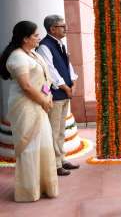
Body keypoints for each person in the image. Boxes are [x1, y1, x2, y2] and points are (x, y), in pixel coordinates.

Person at [0, 21, 58, 202]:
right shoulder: (17, 57)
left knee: (43, 144)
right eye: (35, 35)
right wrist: (43, 101)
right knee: (29, 147)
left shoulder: (32, 54)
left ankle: (44, 187)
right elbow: (25, 86)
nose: (39, 38)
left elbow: (44, 79)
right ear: (25, 39)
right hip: (25, 107)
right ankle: (28, 191)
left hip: (39, 104)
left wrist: (47, 97)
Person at [37, 15, 79, 176]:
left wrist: (73, 82)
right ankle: (55, 165)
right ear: (52, 29)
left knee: (61, 130)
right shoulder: (44, 46)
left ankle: (62, 159)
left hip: (65, 93)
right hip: (55, 94)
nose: (65, 28)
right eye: (62, 26)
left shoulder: (60, 44)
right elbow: (50, 71)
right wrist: (65, 87)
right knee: (54, 131)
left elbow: (67, 65)